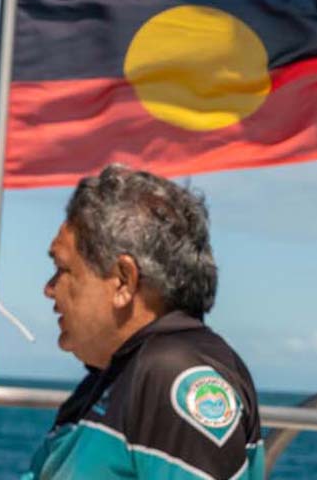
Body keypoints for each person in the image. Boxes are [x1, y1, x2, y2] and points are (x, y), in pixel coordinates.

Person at [23, 165, 263, 480]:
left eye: (63, 269)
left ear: (124, 281)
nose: (49, 288)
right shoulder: (113, 378)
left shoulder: (175, 377)